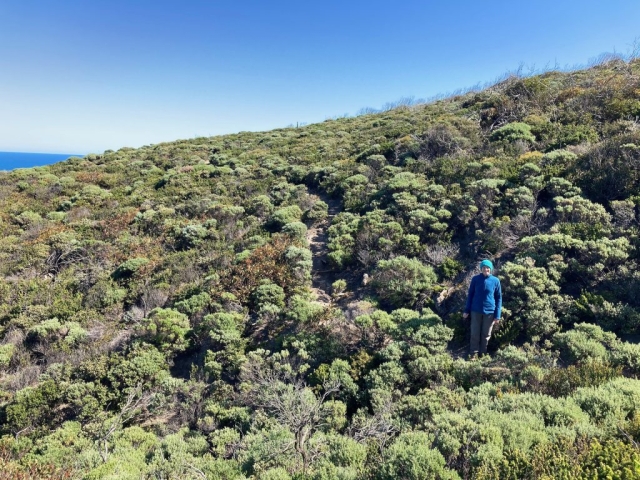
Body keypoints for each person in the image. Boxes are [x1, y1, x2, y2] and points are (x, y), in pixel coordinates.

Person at [463, 259, 502, 358]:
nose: (486, 269)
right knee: (475, 333)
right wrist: (467, 310)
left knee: (486, 334)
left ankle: (483, 354)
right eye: (484, 267)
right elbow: (470, 295)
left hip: (490, 312)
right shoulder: (475, 279)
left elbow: (498, 298)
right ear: (481, 269)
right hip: (476, 311)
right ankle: (473, 354)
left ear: (491, 269)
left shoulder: (495, 281)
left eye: (488, 268)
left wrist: (497, 315)